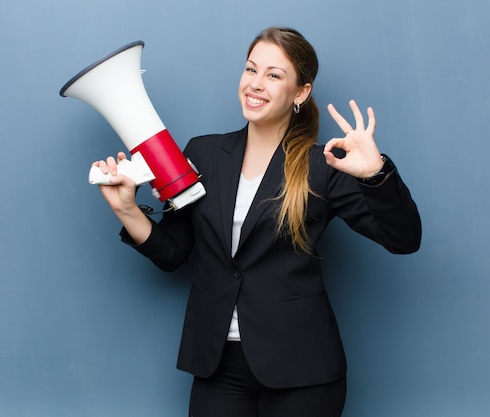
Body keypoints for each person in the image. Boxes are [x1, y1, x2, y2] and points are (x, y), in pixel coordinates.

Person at [92, 27, 421, 417]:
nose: (256, 84)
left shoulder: (323, 165)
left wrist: (374, 174)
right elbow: (174, 253)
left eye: (274, 75)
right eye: (251, 70)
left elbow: (403, 239)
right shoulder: (204, 153)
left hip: (303, 371)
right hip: (217, 367)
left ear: (301, 92)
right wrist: (127, 210)